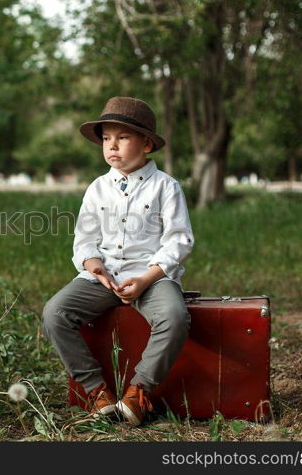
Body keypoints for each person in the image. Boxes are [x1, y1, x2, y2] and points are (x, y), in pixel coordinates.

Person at [42, 97, 193, 426]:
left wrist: (146, 279)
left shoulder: (166, 187)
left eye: (123, 137)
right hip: (104, 277)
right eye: (107, 138)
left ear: (147, 144)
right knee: (55, 312)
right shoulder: (97, 189)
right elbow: (84, 240)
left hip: (151, 278)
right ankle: (97, 391)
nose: (112, 146)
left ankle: (139, 391)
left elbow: (179, 239)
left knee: (174, 316)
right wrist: (93, 265)